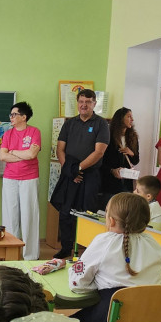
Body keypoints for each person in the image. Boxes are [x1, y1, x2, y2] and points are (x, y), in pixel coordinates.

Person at [68, 192, 161, 322]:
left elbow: (78, 284)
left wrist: (98, 286)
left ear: (111, 221)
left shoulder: (104, 241)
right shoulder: (154, 244)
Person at [50, 89, 110, 259]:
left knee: (87, 213)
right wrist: (70, 171)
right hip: (69, 173)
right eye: (81, 101)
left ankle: (88, 251)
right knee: (65, 212)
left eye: (88, 102)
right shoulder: (70, 123)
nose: (84, 105)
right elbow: (60, 149)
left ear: (94, 104)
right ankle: (66, 248)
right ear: (77, 103)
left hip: (90, 174)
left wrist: (78, 169)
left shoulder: (101, 124)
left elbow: (99, 152)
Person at [0, 101, 41, 260]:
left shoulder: (34, 132)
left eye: (14, 114)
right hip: (10, 178)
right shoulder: (8, 134)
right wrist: (22, 154)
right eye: (10, 114)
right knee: (10, 217)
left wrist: (13, 152)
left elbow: (32, 154)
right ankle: (12, 254)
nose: (11, 117)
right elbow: (2, 156)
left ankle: (30, 255)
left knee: (29, 215)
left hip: (29, 178)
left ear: (24, 117)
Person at [99, 107, 140, 209]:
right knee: (109, 210)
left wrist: (131, 153)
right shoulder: (108, 136)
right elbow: (100, 160)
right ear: (120, 118)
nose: (132, 119)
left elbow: (136, 160)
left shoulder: (133, 137)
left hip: (127, 183)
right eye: (129, 116)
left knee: (124, 211)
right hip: (110, 184)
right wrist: (112, 170)